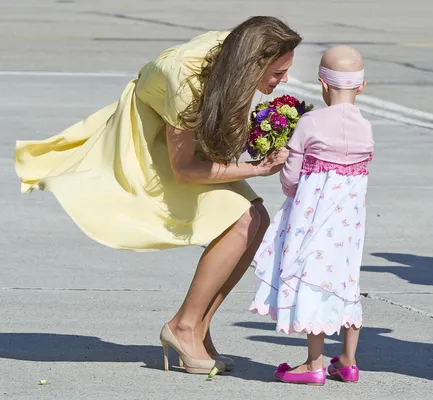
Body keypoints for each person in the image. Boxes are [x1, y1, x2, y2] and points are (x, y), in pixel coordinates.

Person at [14, 16, 302, 375]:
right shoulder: (184, 79)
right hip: (146, 143)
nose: (284, 80)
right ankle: (182, 327)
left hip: (185, 140)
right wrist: (258, 169)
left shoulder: (235, 58)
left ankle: (196, 328)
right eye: (278, 72)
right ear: (254, 63)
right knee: (241, 219)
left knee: (257, 218)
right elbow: (184, 169)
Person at [249, 45, 374, 385]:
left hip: (313, 222)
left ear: (322, 83)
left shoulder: (310, 123)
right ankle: (348, 361)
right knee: (347, 281)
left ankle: (313, 363)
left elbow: (290, 180)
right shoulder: (365, 128)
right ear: (361, 86)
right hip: (349, 226)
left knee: (313, 280)